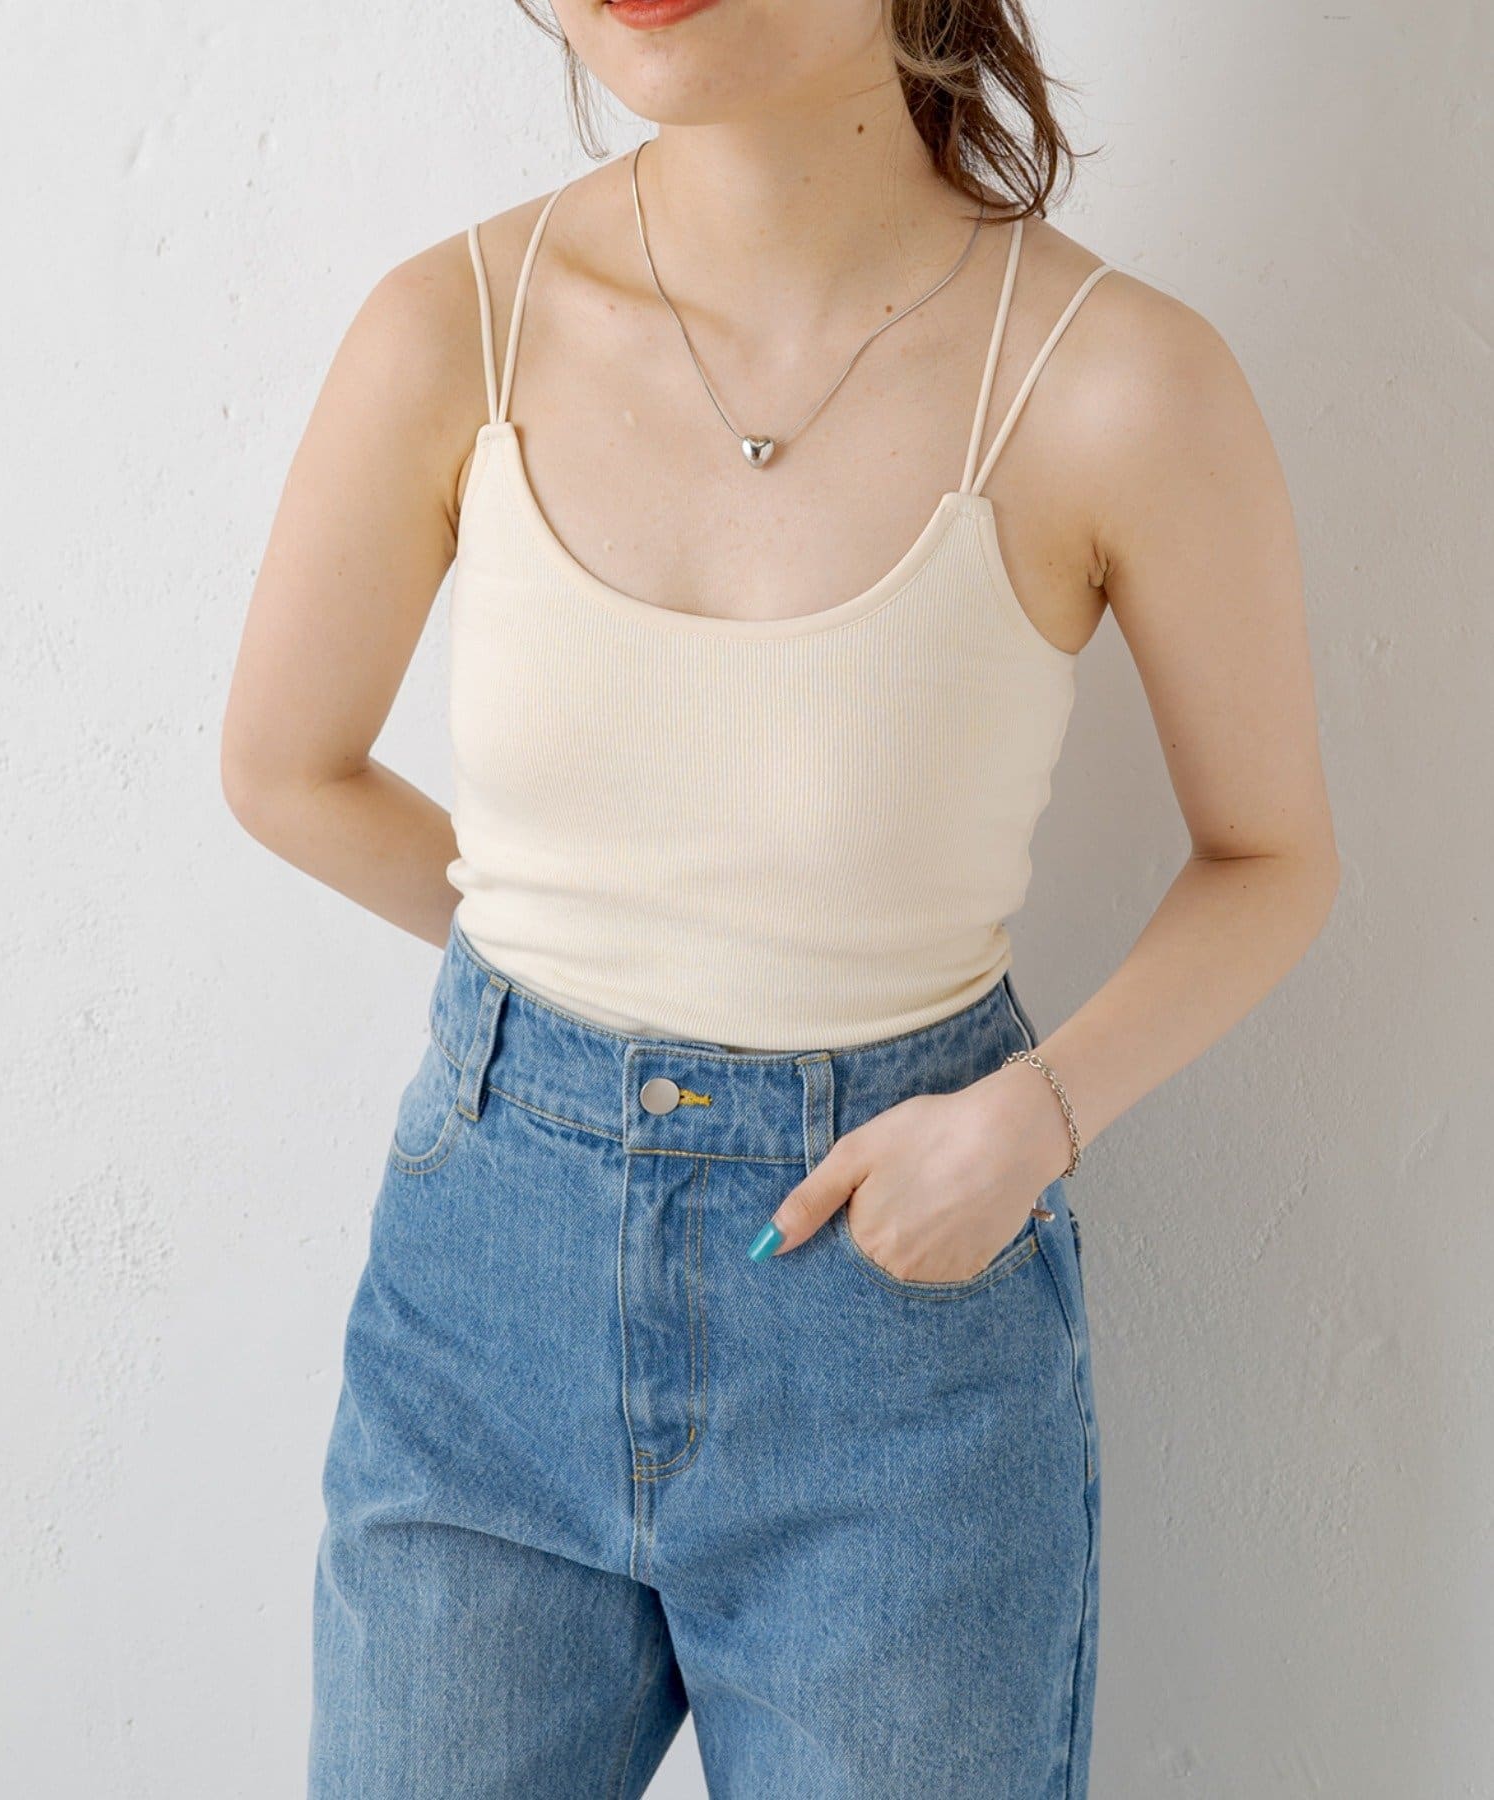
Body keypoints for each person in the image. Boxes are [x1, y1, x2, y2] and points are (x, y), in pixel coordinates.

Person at [220, 1, 1339, 1793]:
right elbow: (284, 768)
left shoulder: (1109, 379)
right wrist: (561, 1001)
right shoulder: (456, 327)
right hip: (483, 1314)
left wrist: (1033, 1120)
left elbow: (1273, 856)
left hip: (897, 1342)